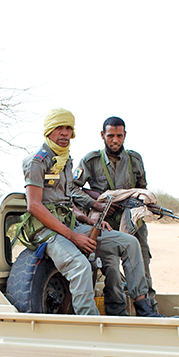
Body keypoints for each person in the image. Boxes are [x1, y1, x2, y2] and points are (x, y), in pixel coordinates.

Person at [20, 108, 163, 317]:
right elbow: (34, 206)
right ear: (49, 130)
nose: (65, 133)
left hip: (70, 224)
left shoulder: (65, 159)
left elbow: (67, 202)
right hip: (47, 231)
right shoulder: (37, 161)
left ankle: (144, 308)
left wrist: (88, 220)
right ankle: (91, 325)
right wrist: (74, 236)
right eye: (59, 128)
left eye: (68, 128)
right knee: (80, 267)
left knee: (130, 243)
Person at [73, 116, 157, 314]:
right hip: (105, 223)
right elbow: (72, 189)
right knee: (110, 269)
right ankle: (117, 313)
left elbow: (141, 189)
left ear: (125, 135)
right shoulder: (91, 160)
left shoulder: (134, 160)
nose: (115, 140)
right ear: (103, 135)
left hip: (132, 220)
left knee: (142, 264)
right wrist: (96, 204)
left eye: (119, 136)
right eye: (111, 135)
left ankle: (149, 311)